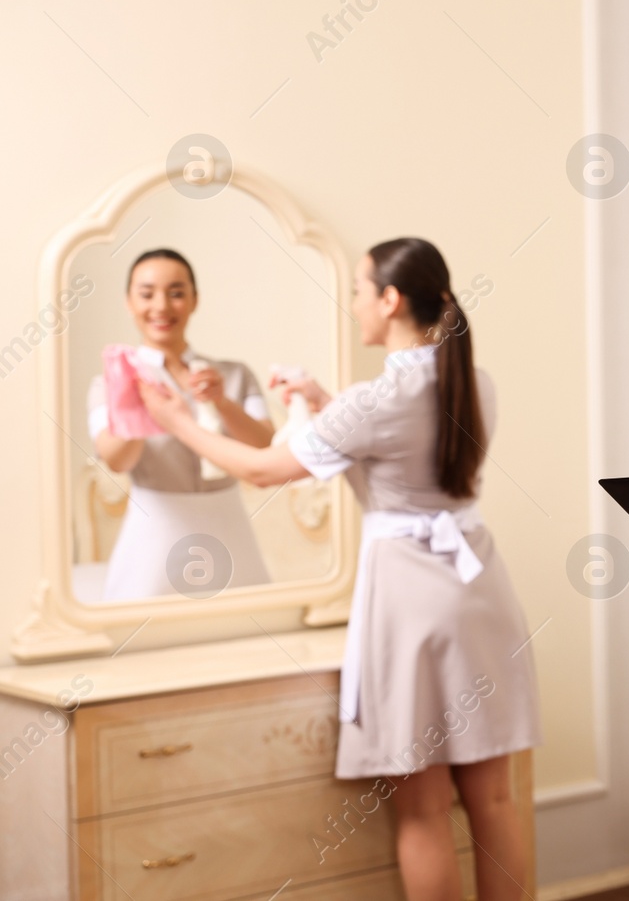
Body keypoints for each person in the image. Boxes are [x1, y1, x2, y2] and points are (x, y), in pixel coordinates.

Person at [139, 237, 541, 901]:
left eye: (358, 289)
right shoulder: (474, 379)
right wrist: (326, 403)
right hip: (482, 591)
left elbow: (265, 469)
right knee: (495, 800)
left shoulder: (378, 397)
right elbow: (396, 447)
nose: (352, 303)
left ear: (388, 299)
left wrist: (179, 422)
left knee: (422, 807)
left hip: (414, 604)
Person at [90, 248, 274, 600]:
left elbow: (265, 447)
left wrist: (222, 403)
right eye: (147, 294)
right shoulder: (108, 385)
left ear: (194, 300)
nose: (161, 306)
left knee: (242, 636)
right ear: (129, 302)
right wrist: (136, 407)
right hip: (154, 533)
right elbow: (116, 460)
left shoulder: (234, 375)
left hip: (229, 526)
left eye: (176, 293)